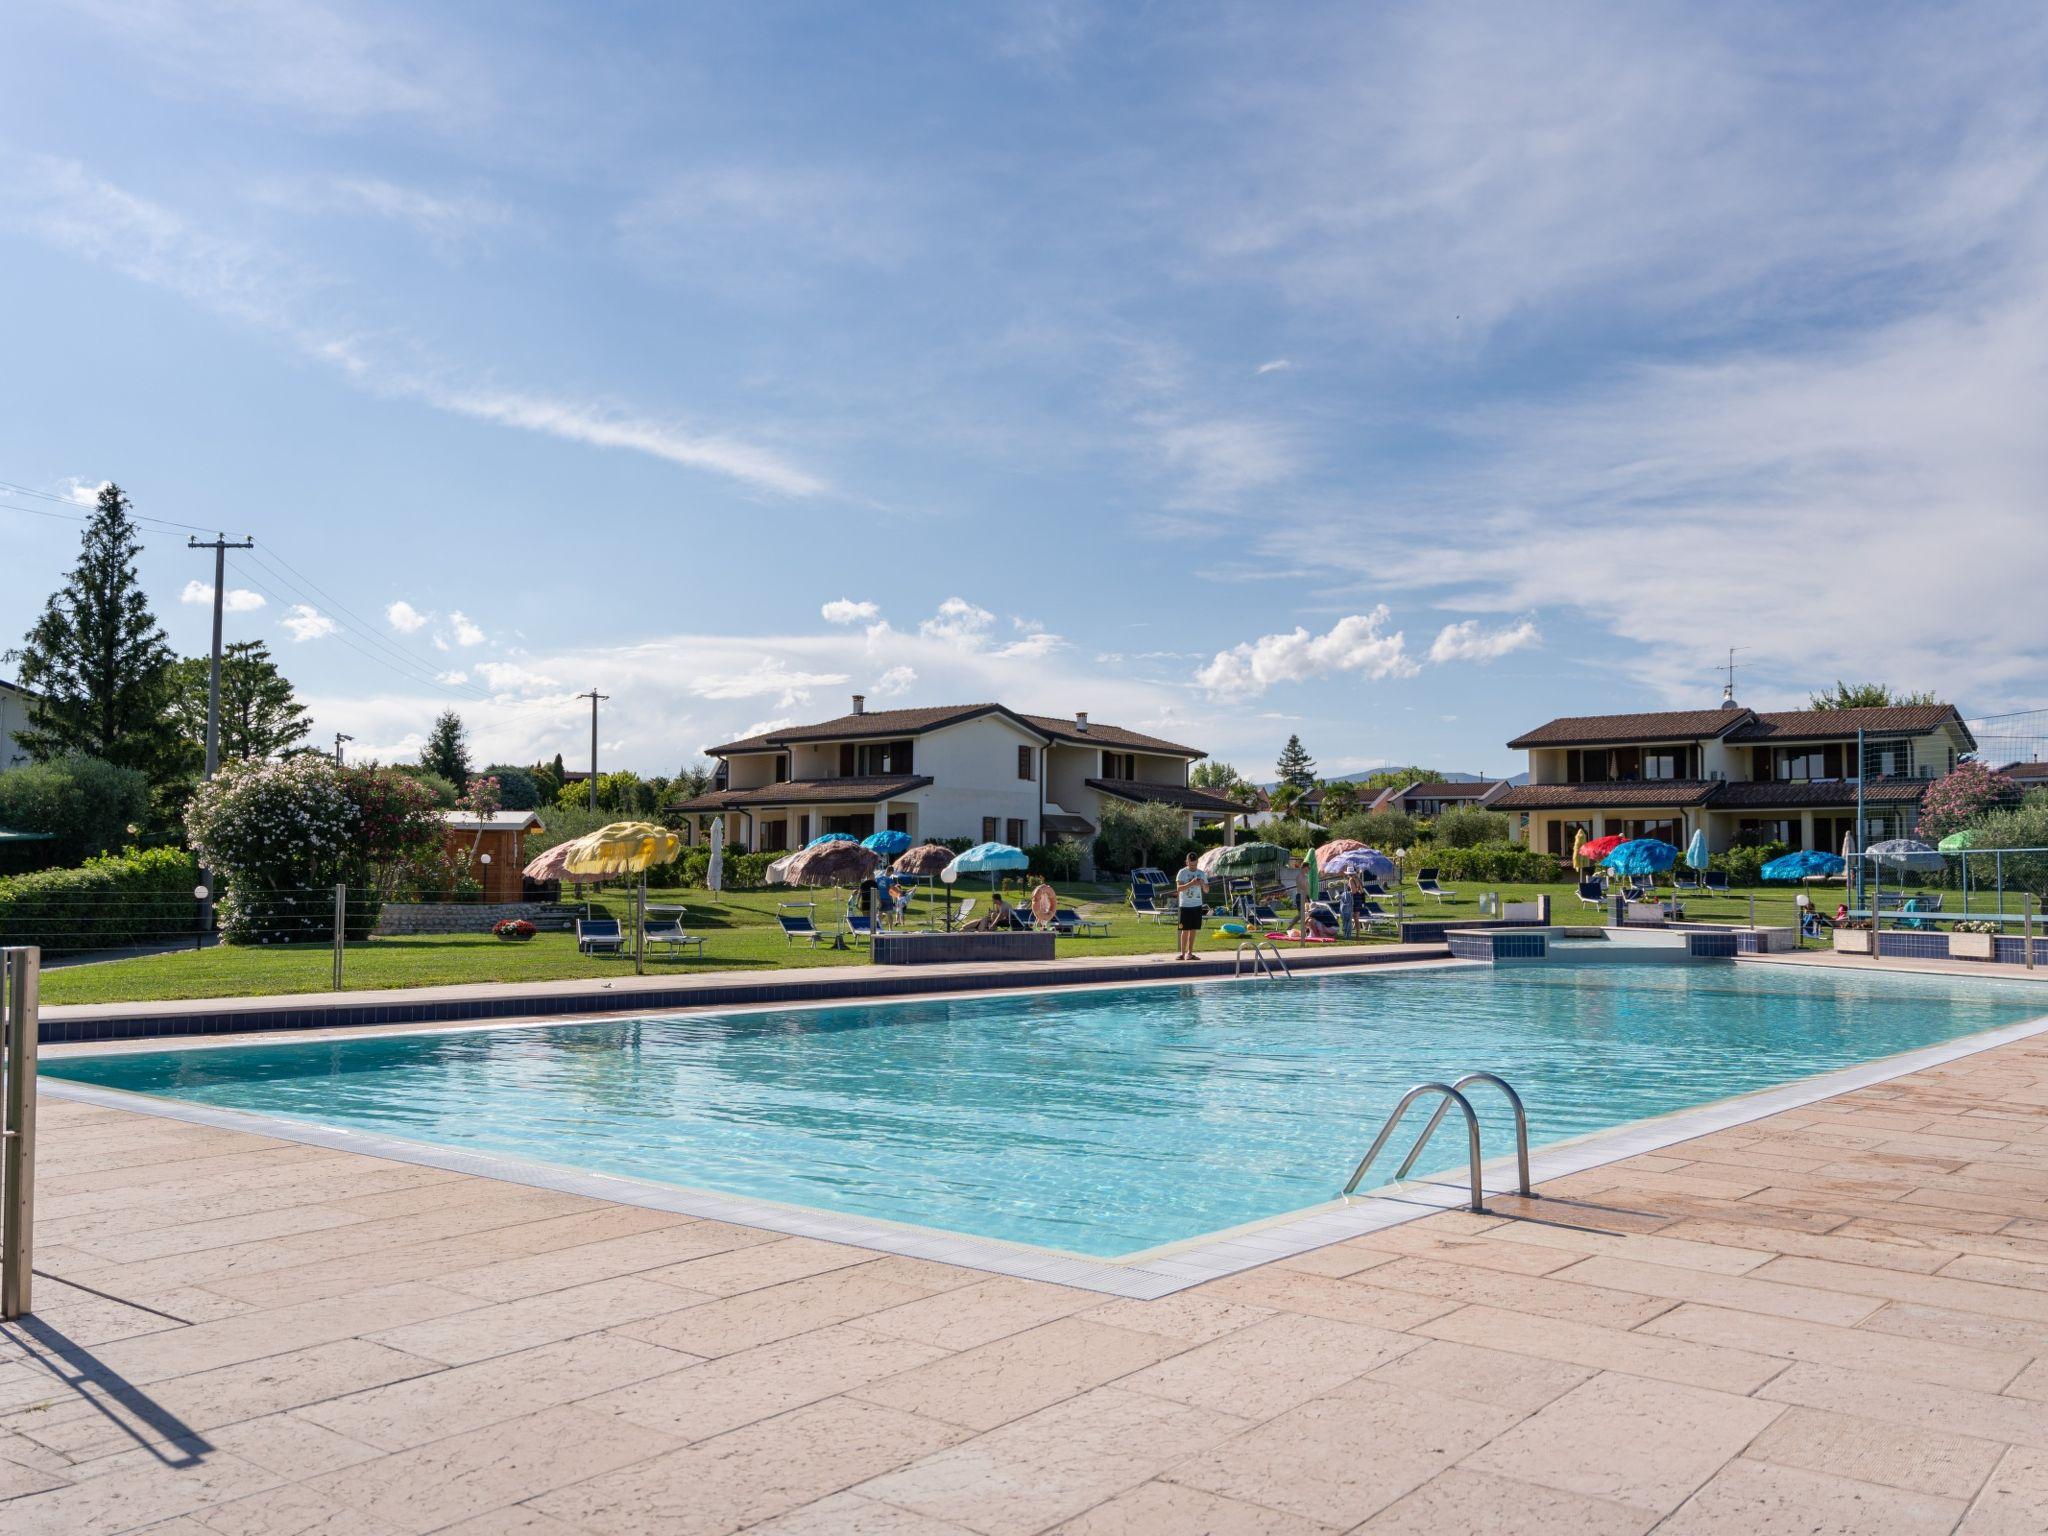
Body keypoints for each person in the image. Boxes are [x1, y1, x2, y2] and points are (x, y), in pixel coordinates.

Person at [1173, 852, 1210, 960]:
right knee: (1184, 930)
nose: (1193, 867)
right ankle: (1182, 953)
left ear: (1197, 862)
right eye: (1191, 865)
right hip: (1185, 905)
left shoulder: (1201, 873)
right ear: (1187, 862)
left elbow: (1207, 890)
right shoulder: (1182, 873)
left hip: (1197, 905)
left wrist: (1203, 884)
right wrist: (1191, 883)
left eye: (1195, 865)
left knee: (1193, 929)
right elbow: (1178, 889)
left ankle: (1190, 953)